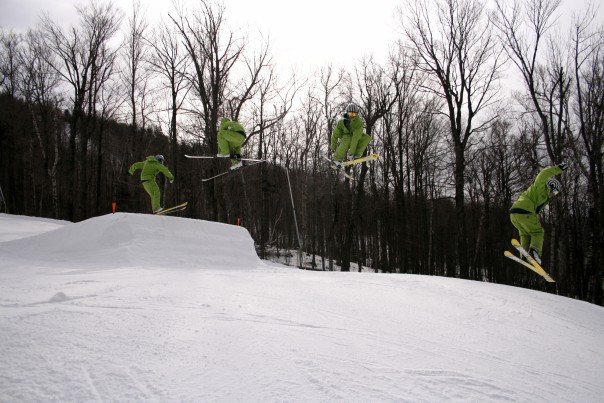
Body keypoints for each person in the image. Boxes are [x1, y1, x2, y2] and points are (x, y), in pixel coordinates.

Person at [509, 163, 567, 264]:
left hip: (514, 215)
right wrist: (558, 169)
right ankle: (535, 253)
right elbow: (543, 174)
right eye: (554, 192)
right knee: (538, 232)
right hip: (524, 211)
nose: (553, 195)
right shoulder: (539, 185)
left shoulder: (544, 198)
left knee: (525, 233)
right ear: (550, 186)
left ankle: (525, 255)